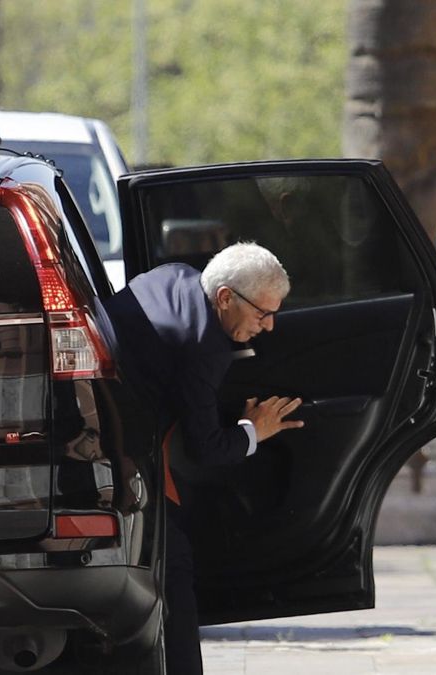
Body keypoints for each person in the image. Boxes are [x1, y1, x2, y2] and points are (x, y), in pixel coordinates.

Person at [104, 242, 304, 674]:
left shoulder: (174, 275)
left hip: (100, 422)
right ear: (226, 297)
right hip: (118, 455)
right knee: (173, 567)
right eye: (262, 314)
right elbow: (208, 448)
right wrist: (254, 431)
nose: (269, 326)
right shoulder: (204, 348)